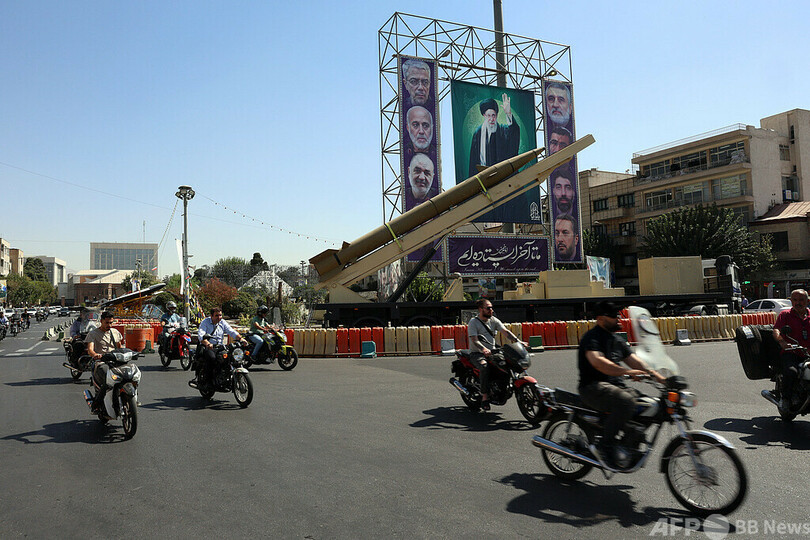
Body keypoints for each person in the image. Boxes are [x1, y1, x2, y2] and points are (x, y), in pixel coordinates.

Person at [578, 301, 665, 467]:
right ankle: (604, 446)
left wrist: (659, 377)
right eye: (613, 315)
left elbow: (635, 361)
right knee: (626, 401)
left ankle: (629, 442)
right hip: (593, 388)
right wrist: (627, 372)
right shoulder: (591, 338)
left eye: (618, 315)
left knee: (651, 405)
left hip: (616, 388)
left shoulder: (617, 340)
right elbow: (598, 362)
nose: (618, 318)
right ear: (600, 319)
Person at [467, 298, 524, 410]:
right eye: (488, 308)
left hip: (493, 352)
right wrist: (483, 349)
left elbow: (506, 332)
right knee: (484, 366)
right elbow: (474, 340)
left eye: (492, 308)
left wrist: (518, 341)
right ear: (481, 309)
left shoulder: (493, 320)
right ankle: (484, 396)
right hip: (477, 353)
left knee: (506, 363)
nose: (491, 310)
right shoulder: (473, 322)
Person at [773, 289, 810, 409]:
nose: (798, 303)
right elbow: (776, 330)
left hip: (808, 354)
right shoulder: (785, 315)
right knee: (791, 371)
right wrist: (782, 342)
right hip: (792, 352)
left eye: (801, 300)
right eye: (795, 300)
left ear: (807, 301)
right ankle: (786, 399)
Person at [468, 95, 521, 178]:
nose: (491, 119)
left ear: (496, 115)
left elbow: (514, 131)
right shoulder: (478, 133)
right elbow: (473, 161)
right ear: (484, 115)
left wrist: (508, 113)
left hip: (503, 177)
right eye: (488, 115)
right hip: (485, 178)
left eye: (493, 115)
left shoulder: (503, 130)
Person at [194, 307, 249, 384]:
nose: (219, 317)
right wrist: (208, 343)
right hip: (208, 347)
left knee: (229, 357)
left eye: (220, 315)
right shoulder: (205, 322)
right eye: (216, 315)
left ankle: (225, 376)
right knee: (212, 358)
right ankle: (208, 381)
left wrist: (241, 339)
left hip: (220, 346)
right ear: (211, 316)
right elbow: (201, 335)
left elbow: (231, 331)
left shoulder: (222, 322)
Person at [86, 311, 124, 413]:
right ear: (101, 321)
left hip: (115, 360)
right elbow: (90, 350)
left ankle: (132, 397)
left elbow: (119, 347)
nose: (109, 325)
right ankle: (97, 404)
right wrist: (95, 355)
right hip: (101, 362)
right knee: (107, 377)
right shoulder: (93, 334)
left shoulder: (115, 332)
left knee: (131, 374)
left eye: (111, 323)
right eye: (107, 323)